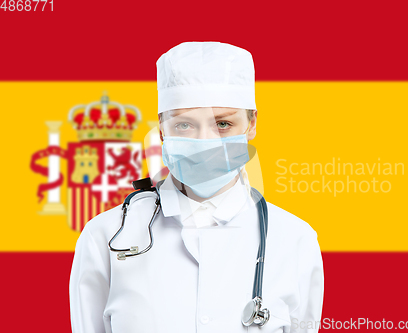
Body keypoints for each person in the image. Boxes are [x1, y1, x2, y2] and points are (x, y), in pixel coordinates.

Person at [69, 41, 324, 333]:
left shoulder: (295, 240)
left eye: (223, 124)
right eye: (185, 125)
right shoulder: (105, 236)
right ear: (162, 127)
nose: (205, 142)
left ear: (251, 124)